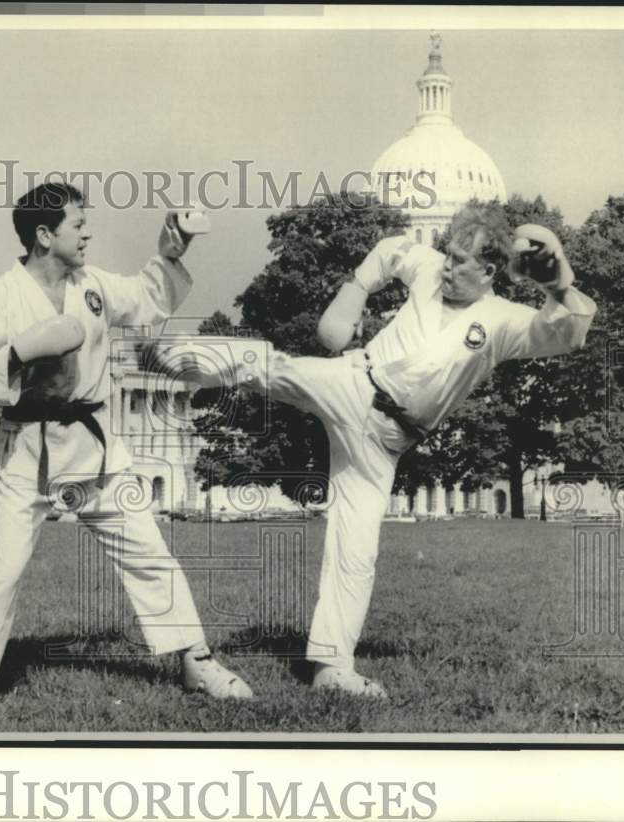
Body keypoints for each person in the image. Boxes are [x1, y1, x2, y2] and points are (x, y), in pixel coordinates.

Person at [164, 206, 596, 698]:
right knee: (270, 367)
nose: (447, 267)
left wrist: (557, 283)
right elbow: (391, 251)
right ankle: (163, 355)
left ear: (489, 271)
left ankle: (332, 669)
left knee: (357, 546)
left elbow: (566, 334)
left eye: (459, 261)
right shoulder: (430, 269)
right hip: (353, 383)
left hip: (386, 439)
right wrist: (352, 293)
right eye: (449, 255)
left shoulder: (500, 322)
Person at [0, 183, 252, 718]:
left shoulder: (93, 285)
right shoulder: (0, 297)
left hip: (96, 445)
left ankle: (197, 660)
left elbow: (148, 298)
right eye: (78, 223)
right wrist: (22, 350)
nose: (88, 232)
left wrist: (172, 251)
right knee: (3, 570)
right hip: (28, 449)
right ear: (44, 235)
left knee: (148, 551)